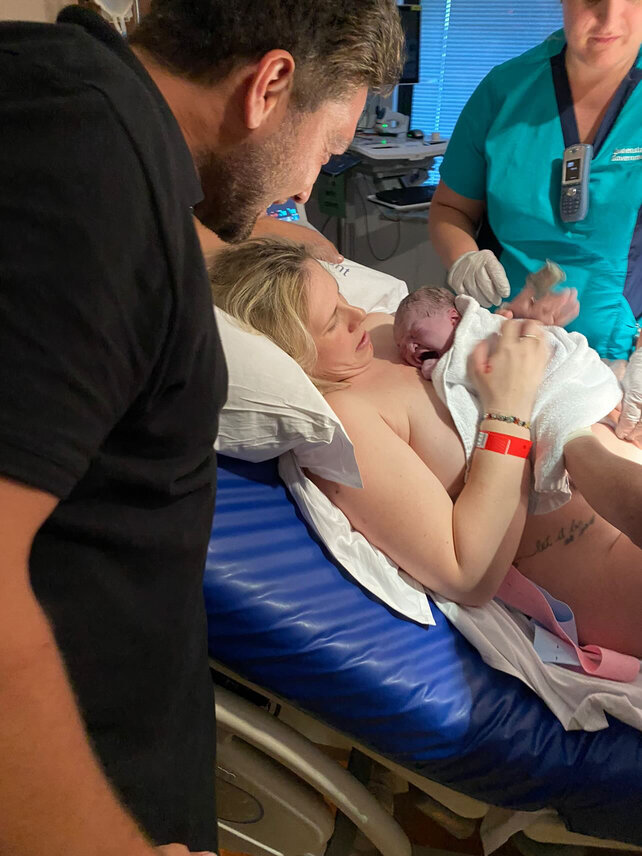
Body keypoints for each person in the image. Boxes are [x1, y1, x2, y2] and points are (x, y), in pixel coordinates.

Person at [0, 2, 403, 855]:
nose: (302, 192)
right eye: (326, 149)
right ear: (269, 85)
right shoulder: (85, 163)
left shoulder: (98, 126)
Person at [209, 237, 642, 659]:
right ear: (291, 353)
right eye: (331, 322)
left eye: (341, 296)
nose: (359, 313)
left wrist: (519, 328)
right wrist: (510, 407)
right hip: (605, 557)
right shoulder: (348, 419)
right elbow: (467, 573)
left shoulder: (379, 328)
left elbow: (477, 340)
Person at [428, 0, 642, 447]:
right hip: (509, 343)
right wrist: (464, 258)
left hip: (624, 364)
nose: (608, 17)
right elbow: (450, 210)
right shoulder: (505, 91)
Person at [393, 285, 642, 544]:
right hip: (595, 389)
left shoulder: (473, 333)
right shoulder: (476, 331)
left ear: (454, 318)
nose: (409, 348)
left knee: (577, 446)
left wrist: (440, 366)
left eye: (415, 333)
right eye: (401, 345)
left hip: (575, 376)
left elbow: (483, 365)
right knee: (585, 446)